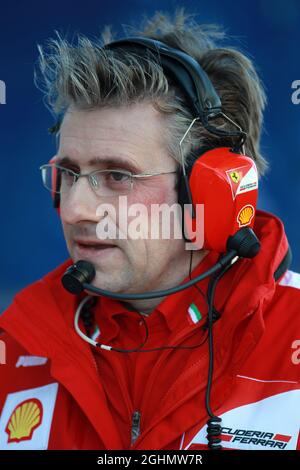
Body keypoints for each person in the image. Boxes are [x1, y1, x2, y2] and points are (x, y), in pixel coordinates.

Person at [0, 10, 299, 451]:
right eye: (68, 172)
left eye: (118, 176)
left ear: (213, 197)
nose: (75, 208)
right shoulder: (16, 346)